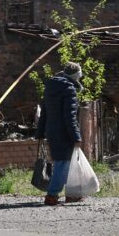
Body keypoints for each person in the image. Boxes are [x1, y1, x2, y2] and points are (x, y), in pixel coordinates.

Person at [35, 61, 84, 206]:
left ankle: (71, 194)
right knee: (63, 163)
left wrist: (40, 132)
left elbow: (44, 112)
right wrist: (76, 136)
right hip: (64, 132)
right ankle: (52, 195)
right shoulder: (69, 89)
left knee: (65, 164)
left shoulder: (50, 87)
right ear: (76, 76)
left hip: (52, 131)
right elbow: (70, 116)